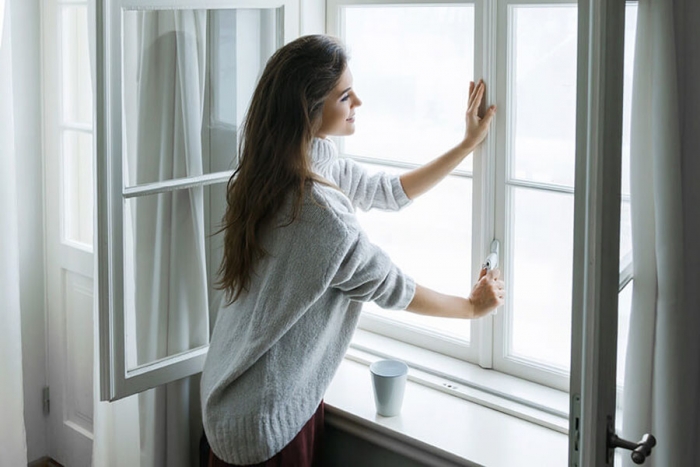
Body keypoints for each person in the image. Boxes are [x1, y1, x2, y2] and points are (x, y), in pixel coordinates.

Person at [200, 34, 504, 467]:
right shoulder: (320, 216)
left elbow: (385, 191)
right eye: (345, 95)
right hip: (263, 423)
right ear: (309, 110)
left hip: (231, 395)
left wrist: (466, 145)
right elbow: (392, 286)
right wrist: (472, 308)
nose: (357, 101)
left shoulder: (282, 163)